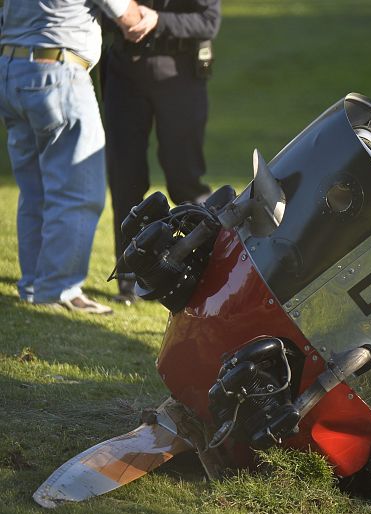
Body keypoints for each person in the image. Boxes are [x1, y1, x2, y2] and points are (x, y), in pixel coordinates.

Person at [0, 0, 152, 314]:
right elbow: (130, 19)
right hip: (57, 74)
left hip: (11, 69)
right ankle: (59, 289)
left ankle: (34, 286)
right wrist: (148, 15)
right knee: (79, 193)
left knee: (36, 191)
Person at [103, 0, 221, 303]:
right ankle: (129, 276)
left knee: (185, 180)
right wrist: (120, 19)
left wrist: (157, 20)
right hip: (123, 71)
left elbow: (208, 22)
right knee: (125, 177)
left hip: (179, 72)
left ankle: (210, 271)